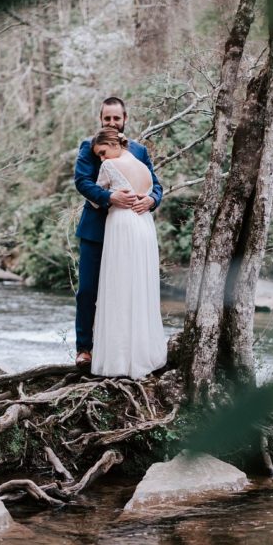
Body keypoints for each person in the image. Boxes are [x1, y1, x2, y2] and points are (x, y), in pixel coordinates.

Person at [73, 96, 163, 367]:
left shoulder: (139, 150)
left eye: (116, 118)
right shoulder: (90, 147)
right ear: (101, 119)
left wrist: (153, 200)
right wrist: (110, 197)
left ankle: (122, 353)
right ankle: (85, 350)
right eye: (107, 118)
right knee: (88, 290)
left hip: (129, 234)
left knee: (126, 291)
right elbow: (82, 182)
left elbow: (155, 183)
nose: (112, 122)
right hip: (96, 231)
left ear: (125, 119)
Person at [88, 126, 167, 379]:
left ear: (113, 144)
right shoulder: (143, 167)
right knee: (140, 288)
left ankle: (119, 361)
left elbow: (93, 199)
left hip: (122, 225)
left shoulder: (110, 167)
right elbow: (153, 190)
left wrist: (110, 195)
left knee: (119, 288)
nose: (101, 158)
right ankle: (144, 357)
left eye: (102, 152)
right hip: (144, 226)